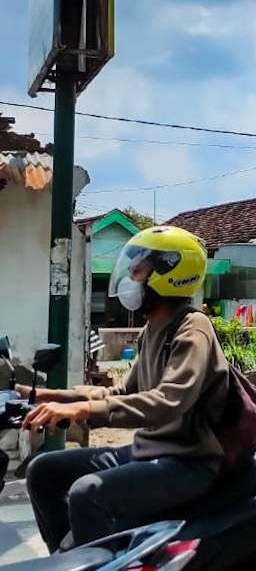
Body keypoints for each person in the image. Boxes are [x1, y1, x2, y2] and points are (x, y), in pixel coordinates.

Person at [22, 226, 231, 550]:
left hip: (188, 462)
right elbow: (122, 394)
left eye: (137, 269)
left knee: (87, 494)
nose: (128, 278)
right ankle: (69, 559)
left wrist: (83, 409)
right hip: (148, 451)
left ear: (169, 272)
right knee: (43, 471)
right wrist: (45, 396)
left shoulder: (192, 328)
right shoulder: (151, 330)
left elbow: (168, 401)